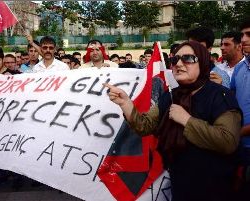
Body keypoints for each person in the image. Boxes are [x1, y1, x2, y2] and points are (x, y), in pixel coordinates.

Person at [105, 41, 241, 201]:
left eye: (188, 59)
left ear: (203, 62)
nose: (179, 64)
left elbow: (228, 141)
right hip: (180, 183)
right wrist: (126, 103)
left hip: (214, 185)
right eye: (175, 59)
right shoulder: (171, 96)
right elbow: (144, 126)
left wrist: (187, 120)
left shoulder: (220, 96)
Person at [231, 19, 250, 201]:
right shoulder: (239, 69)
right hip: (238, 147)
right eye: (242, 34)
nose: (243, 39)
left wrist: (235, 133)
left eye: (249, 34)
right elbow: (232, 105)